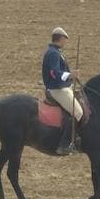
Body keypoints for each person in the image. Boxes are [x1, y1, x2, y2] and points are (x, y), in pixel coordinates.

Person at [42, 26, 82, 155]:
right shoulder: (53, 53)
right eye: (65, 39)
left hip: (63, 86)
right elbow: (54, 72)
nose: (66, 42)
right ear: (61, 38)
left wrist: (71, 76)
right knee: (77, 111)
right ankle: (65, 144)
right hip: (57, 88)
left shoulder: (56, 52)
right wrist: (70, 75)